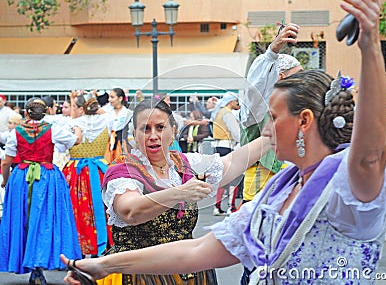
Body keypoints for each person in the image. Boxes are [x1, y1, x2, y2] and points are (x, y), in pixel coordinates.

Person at [62, 0, 386, 284]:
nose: (265, 128)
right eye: (144, 128)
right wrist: (104, 265)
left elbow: (370, 155)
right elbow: (196, 250)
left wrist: (370, 49)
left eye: (273, 117)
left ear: (304, 121)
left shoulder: (344, 184)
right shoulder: (279, 191)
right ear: (132, 133)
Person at [76, 98, 269, 285]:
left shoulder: (184, 163)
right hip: (138, 274)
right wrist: (179, 193)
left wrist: (272, 137)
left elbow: (231, 163)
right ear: (134, 134)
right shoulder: (123, 169)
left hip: (189, 270)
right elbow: (130, 211)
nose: (153, 135)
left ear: (173, 131)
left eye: (160, 127)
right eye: (145, 129)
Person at [0, 98, 83, 285]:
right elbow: (75, 141)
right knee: (46, 220)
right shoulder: (53, 129)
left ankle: (34, 268)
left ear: (27, 113)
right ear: (44, 113)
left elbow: (7, 161)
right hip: (47, 177)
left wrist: (6, 181)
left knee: (25, 220)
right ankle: (40, 264)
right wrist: (78, 129)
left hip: (22, 178)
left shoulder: (16, 133)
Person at [240, 24, 303, 204]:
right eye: (297, 75)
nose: (302, 81)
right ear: (280, 77)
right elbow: (255, 88)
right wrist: (272, 52)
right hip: (260, 190)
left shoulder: (296, 110)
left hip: (288, 187)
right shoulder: (258, 111)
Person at [63, 97, 112, 257]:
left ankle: (78, 248)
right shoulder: (107, 120)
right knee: (103, 207)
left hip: (77, 171)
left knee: (77, 209)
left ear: (82, 108)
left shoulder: (73, 124)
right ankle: (103, 246)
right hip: (100, 170)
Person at [211, 92, 241, 215]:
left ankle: (217, 206)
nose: (237, 104)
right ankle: (231, 207)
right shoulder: (228, 114)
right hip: (228, 146)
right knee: (233, 178)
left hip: (218, 147)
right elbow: (236, 134)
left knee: (222, 178)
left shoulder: (218, 112)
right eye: (236, 102)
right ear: (231, 102)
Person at [101, 87, 133, 161]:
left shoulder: (128, 113)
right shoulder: (106, 112)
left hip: (122, 145)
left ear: (120, 98)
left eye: (112, 97)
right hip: (107, 145)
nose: (109, 100)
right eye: (109, 97)